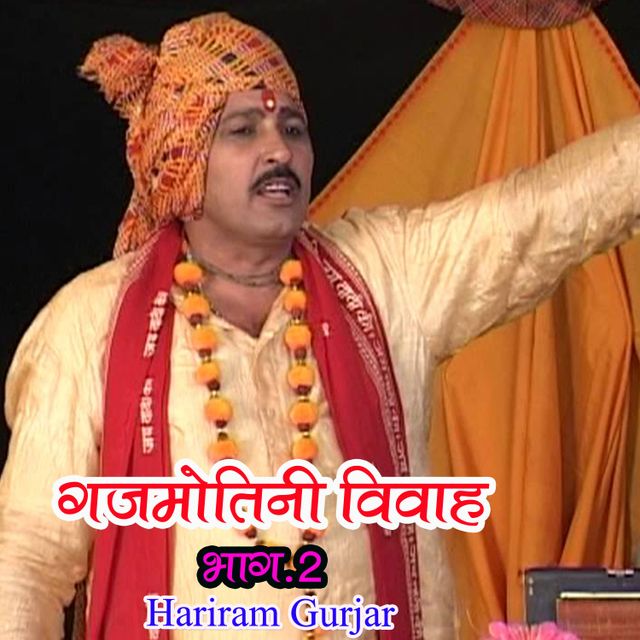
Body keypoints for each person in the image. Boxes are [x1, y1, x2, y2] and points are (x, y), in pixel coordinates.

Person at [0, 11, 638, 640]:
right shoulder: (89, 325)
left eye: (293, 128)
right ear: (182, 158)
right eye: (243, 130)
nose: (280, 150)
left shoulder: (387, 275)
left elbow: (542, 218)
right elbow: (28, 562)